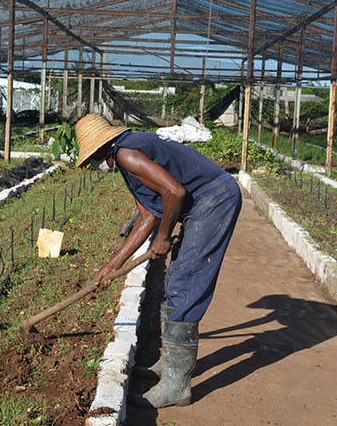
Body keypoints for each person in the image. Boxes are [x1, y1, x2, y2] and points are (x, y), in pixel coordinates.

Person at [74, 114, 242, 409]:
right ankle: (171, 366)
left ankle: (177, 387)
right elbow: (147, 216)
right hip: (206, 201)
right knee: (176, 278)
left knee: (184, 284)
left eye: (91, 159)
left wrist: (164, 237)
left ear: (102, 149)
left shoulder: (126, 154)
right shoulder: (127, 154)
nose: (93, 166)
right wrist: (113, 264)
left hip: (215, 201)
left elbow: (174, 192)